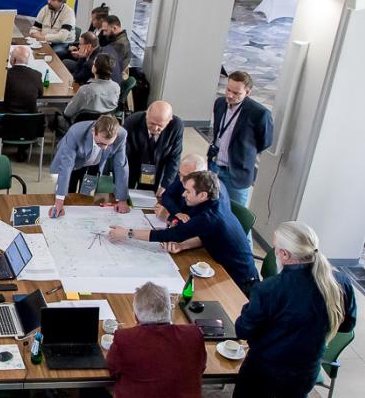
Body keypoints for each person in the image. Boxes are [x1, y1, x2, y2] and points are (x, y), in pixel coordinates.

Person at [225, 221, 356, 398]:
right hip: (305, 370)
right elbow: (347, 325)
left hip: (263, 369)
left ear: (284, 255)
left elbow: (243, 329)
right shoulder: (340, 283)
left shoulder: (270, 289)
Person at [107, 171, 259, 295]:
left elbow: (169, 235)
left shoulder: (209, 217)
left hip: (238, 281)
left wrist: (127, 233)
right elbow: (206, 236)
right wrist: (183, 245)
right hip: (223, 267)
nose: (183, 194)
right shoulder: (213, 203)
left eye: (188, 191)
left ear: (202, 195)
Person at [105, 282, 208, 398]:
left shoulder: (125, 339)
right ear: (170, 310)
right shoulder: (194, 335)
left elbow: (113, 369)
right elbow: (200, 367)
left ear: (136, 316)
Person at [208, 70, 274, 207]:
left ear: (248, 92)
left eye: (236, 93)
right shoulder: (219, 103)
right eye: (228, 89)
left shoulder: (260, 114)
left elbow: (265, 142)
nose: (230, 95)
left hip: (236, 173)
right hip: (214, 166)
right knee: (211, 207)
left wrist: (244, 151)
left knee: (236, 213)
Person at [49, 116, 131, 218]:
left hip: (96, 163)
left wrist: (122, 199)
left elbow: (121, 166)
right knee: (69, 194)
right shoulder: (76, 132)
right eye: (100, 143)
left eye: (108, 144)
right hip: (74, 162)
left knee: (87, 196)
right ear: (93, 132)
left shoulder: (122, 134)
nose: (104, 148)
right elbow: (66, 166)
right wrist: (59, 201)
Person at [124, 101, 184, 194]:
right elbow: (123, 155)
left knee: (148, 195)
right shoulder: (132, 122)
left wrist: (165, 185)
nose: (155, 128)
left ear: (169, 120)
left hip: (157, 166)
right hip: (133, 163)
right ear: (146, 115)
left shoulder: (176, 126)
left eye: (160, 125)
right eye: (152, 123)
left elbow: (174, 158)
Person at [54, 54, 119, 133]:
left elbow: (68, 113)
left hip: (80, 127)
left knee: (55, 115)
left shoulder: (85, 90)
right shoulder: (116, 87)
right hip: (104, 127)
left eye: (94, 63)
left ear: (95, 69)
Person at [156, 154, 230, 223]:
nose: (181, 179)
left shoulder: (212, 194)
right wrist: (177, 213)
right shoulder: (185, 176)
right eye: (180, 174)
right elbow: (166, 195)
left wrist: (170, 218)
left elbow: (194, 224)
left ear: (201, 174)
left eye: (185, 176)